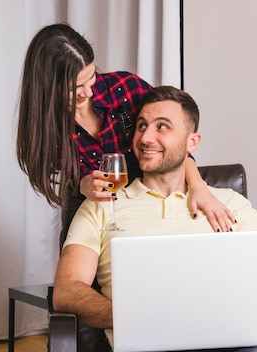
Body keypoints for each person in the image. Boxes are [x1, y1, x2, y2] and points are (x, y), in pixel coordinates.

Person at [52, 86, 257, 351]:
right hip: (147, 345)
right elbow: (67, 290)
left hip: (233, 342)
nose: (146, 137)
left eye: (162, 127)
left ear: (192, 142)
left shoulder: (231, 205)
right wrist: (130, 317)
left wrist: (217, 315)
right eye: (141, 126)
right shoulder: (101, 206)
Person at [15, 23, 236, 244]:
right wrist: (83, 184)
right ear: (48, 86)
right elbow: (74, 175)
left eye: (91, 77)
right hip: (97, 207)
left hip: (150, 199)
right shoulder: (45, 131)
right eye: (76, 87)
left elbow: (175, 143)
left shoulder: (125, 89)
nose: (88, 92)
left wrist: (200, 188)